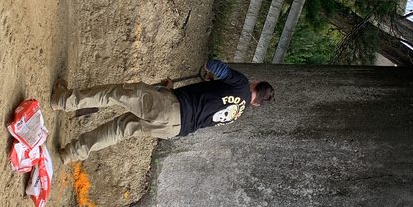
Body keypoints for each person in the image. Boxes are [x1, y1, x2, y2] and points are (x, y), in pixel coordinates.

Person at [52, 58, 275, 163]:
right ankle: (70, 153)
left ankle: (63, 100)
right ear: (255, 104)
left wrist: (207, 67)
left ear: (255, 84)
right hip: (175, 129)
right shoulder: (238, 113)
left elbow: (214, 65)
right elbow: (205, 105)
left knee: (117, 93)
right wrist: (170, 92)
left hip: (171, 108)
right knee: (121, 129)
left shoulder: (241, 83)